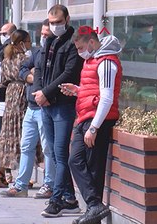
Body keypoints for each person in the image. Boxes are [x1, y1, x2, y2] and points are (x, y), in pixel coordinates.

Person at [65, 27, 122, 224]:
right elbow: (94, 90)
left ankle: (94, 211)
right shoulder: (92, 60)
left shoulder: (106, 62)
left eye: (81, 47)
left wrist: (94, 127)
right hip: (86, 116)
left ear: (91, 42)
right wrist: (78, 91)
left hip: (97, 120)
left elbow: (106, 97)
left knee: (92, 166)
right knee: (77, 160)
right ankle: (94, 207)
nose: (80, 51)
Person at [32, 4, 84, 217]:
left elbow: (70, 73)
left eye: (58, 22)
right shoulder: (49, 41)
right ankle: (70, 198)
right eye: (51, 23)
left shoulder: (73, 43)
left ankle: (56, 200)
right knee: (52, 153)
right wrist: (38, 92)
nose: (55, 26)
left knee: (61, 154)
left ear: (67, 20)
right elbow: (39, 68)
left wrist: (46, 92)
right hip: (46, 105)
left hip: (62, 105)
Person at [0, 19, 55, 198]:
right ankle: (21, 184)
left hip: (44, 106)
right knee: (26, 146)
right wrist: (31, 76)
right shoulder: (37, 53)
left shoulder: (56, 54)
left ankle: (49, 184)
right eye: (42, 34)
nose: (43, 38)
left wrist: (36, 78)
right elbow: (23, 69)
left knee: (47, 147)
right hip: (31, 106)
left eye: (47, 35)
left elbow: (53, 77)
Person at [0, 30, 30, 187]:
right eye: (27, 42)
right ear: (22, 43)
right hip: (22, 95)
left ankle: (0, 172)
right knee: (22, 135)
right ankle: (22, 174)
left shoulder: (6, 60)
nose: (29, 45)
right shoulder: (24, 59)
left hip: (9, 97)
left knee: (7, 134)